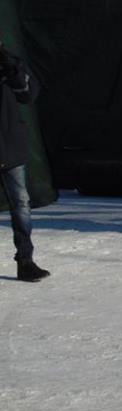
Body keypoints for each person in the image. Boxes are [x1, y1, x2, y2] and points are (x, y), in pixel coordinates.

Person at [0, 42, 47, 282]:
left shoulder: (10, 62)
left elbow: (28, 95)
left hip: (10, 148)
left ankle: (25, 262)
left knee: (21, 203)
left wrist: (14, 70)